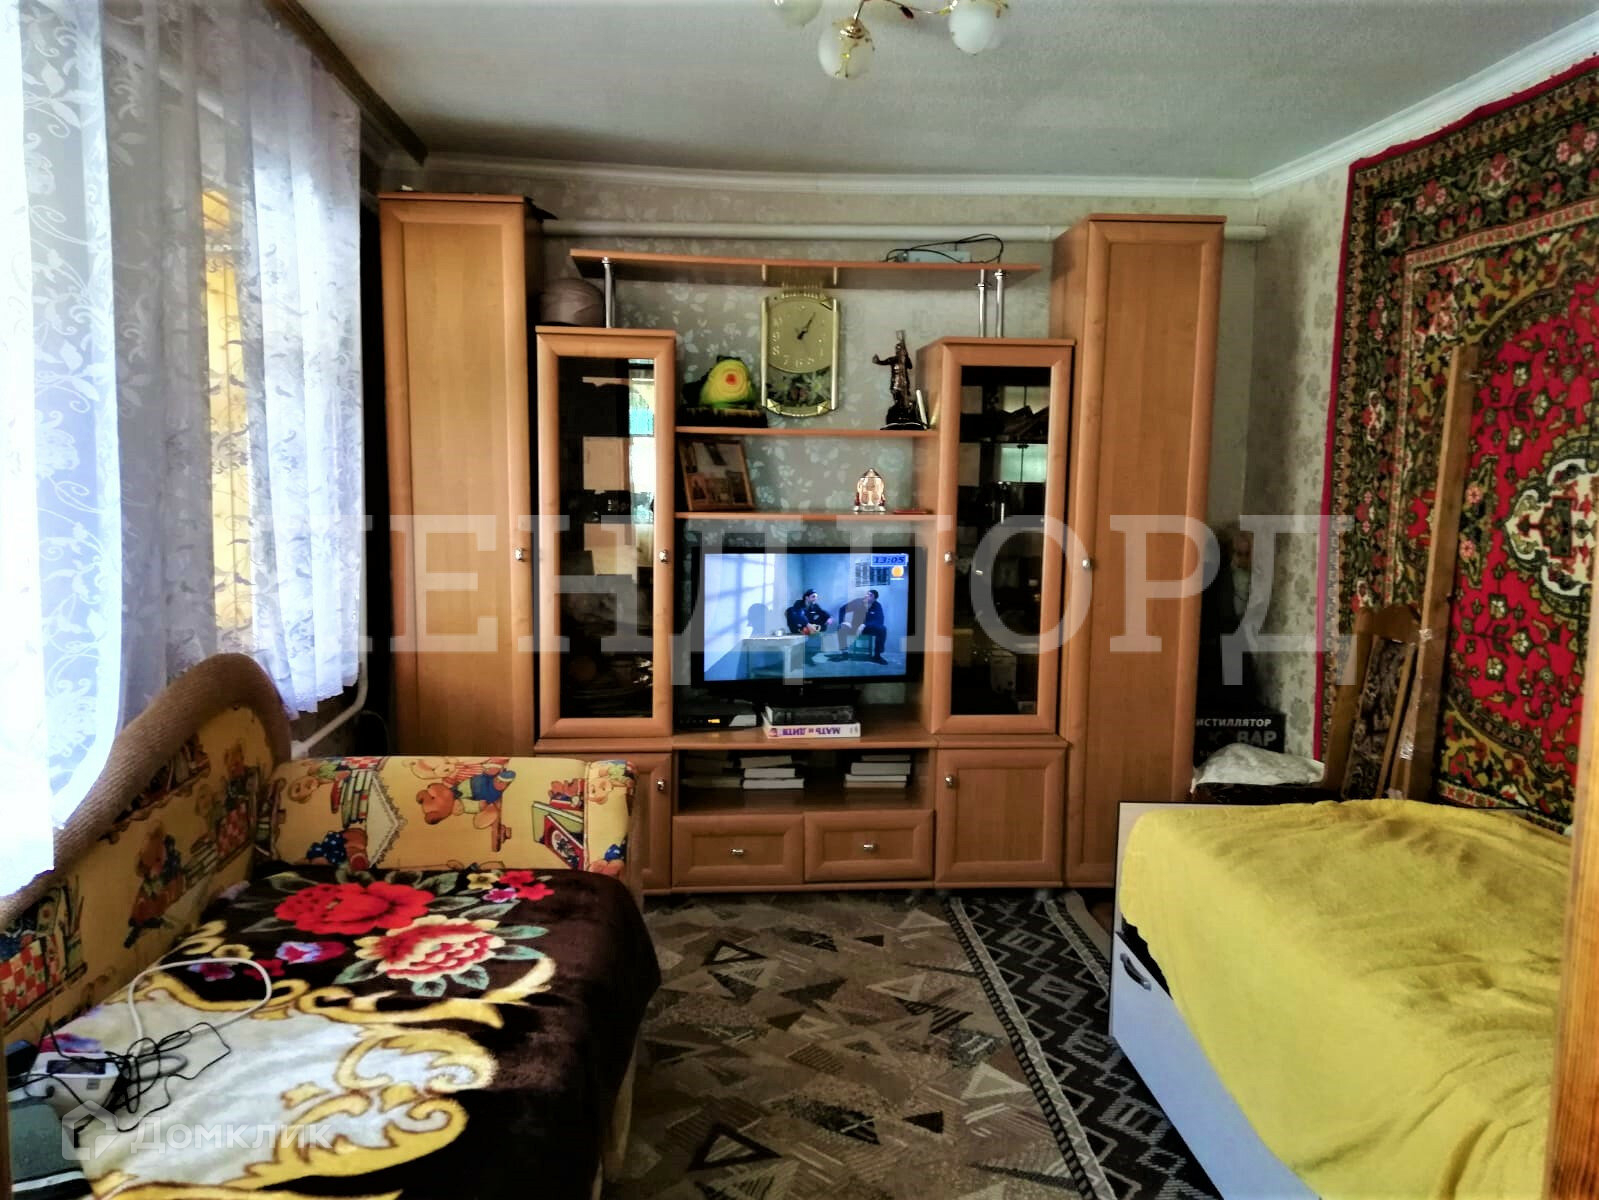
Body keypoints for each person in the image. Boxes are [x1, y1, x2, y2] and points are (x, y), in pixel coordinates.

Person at [834, 588, 888, 664]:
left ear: (874, 599)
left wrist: (865, 625)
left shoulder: (877, 606)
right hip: (855, 626)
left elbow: (880, 620)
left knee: (882, 629)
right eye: (867, 594)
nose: (867, 596)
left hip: (868, 628)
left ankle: (877, 656)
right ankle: (844, 653)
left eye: (870, 595)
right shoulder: (858, 602)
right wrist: (842, 622)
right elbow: (842, 609)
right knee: (841, 627)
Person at [785, 589, 832, 664]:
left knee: (824, 618)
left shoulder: (814, 605)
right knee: (791, 610)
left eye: (816, 597)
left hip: (810, 626)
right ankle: (806, 629)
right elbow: (798, 616)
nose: (815, 598)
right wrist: (807, 624)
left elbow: (822, 612)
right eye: (813, 597)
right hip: (799, 626)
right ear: (806, 597)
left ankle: (812, 629)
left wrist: (829, 618)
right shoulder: (798, 603)